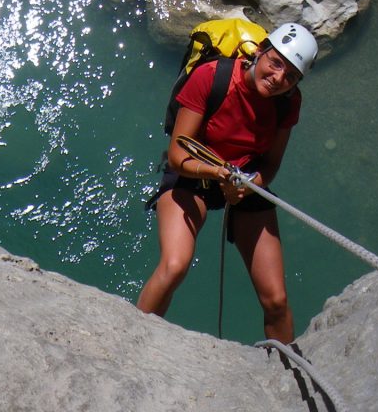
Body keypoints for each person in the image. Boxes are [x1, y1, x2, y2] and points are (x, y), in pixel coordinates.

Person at [136, 22, 318, 343]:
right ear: (260, 52)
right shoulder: (212, 77)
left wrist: (249, 183)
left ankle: (286, 374)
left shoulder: (288, 102)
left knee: (276, 300)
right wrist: (218, 174)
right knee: (175, 265)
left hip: (244, 178)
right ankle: (130, 341)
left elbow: (271, 163)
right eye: (275, 64)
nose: (278, 79)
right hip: (194, 173)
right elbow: (178, 153)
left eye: (290, 76)